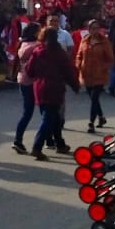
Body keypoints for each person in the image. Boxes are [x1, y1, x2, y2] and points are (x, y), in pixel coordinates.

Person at [27, 28, 79, 161]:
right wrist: (75, 85)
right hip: (55, 88)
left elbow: (29, 70)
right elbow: (68, 71)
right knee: (49, 118)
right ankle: (37, 147)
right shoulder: (60, 53)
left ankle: (60, 143)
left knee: (53, 117)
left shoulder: (38, 51)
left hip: (39, 87)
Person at [75, 18, 114, 133]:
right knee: (93, 99)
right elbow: (79, 55)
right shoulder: (84, 41)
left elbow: (110, 59)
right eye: (92, 28)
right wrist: (78, 65)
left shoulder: (104, 42)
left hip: (99, 75)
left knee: (94, 98)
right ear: (89, 29)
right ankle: (101, 117)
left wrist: (104, 67)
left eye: (97, 28)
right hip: (86, 74)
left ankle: (91, 122)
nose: (95, 31)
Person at [11, 21, 42, 154]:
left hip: (23, 79)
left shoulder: (23, 44)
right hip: (34, 81)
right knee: (45, 112)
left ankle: (18, 139)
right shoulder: (36, 47)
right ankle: (47, 140)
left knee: (27, 112)